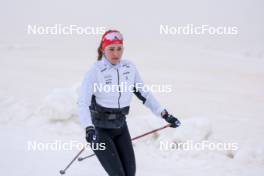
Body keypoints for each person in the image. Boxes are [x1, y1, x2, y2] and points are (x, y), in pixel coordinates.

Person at [78, 30, 181, 176]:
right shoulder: (95, 72)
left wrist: (165, 114)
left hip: (121, 127)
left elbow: (144, 94)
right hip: (100, 131)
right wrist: (89, 128)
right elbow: (83, 103)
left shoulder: (129, 68)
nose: (116, 53)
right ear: (103, 49)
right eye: (111, 49)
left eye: (119, 48)